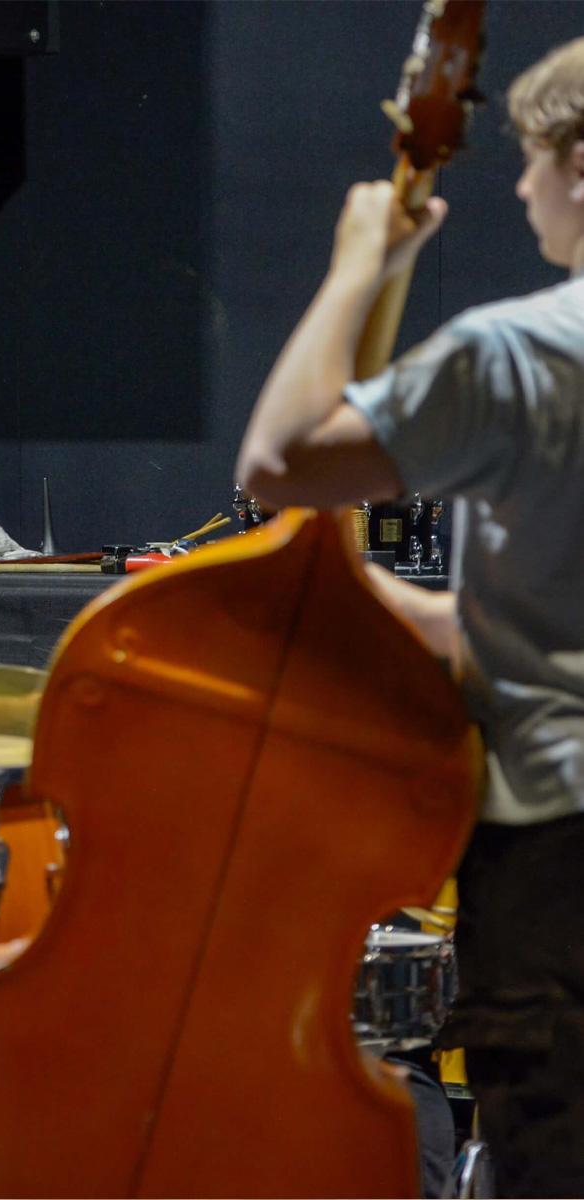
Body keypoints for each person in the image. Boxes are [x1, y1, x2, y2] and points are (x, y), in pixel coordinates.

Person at [236, 36, 584, 1200]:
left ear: (578, 165)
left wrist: (356, 262)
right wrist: (395, 608)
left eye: (534, 161)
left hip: (554, 858)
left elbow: (278, 459)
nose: (523, 187)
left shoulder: (522, 351)